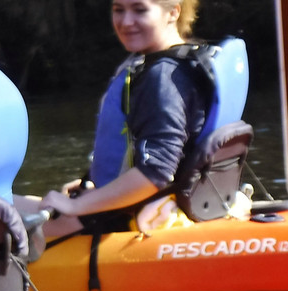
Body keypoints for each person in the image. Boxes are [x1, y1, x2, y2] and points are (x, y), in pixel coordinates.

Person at [21, 0, 212, 238]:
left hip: (119, 219)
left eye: (139, 10)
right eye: (118, 10)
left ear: (173, 12)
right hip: (128, 207)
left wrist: (75, 206)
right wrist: (93, 180)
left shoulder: (163, 78)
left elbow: (156, 173)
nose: (126, 21)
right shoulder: (176, 62)